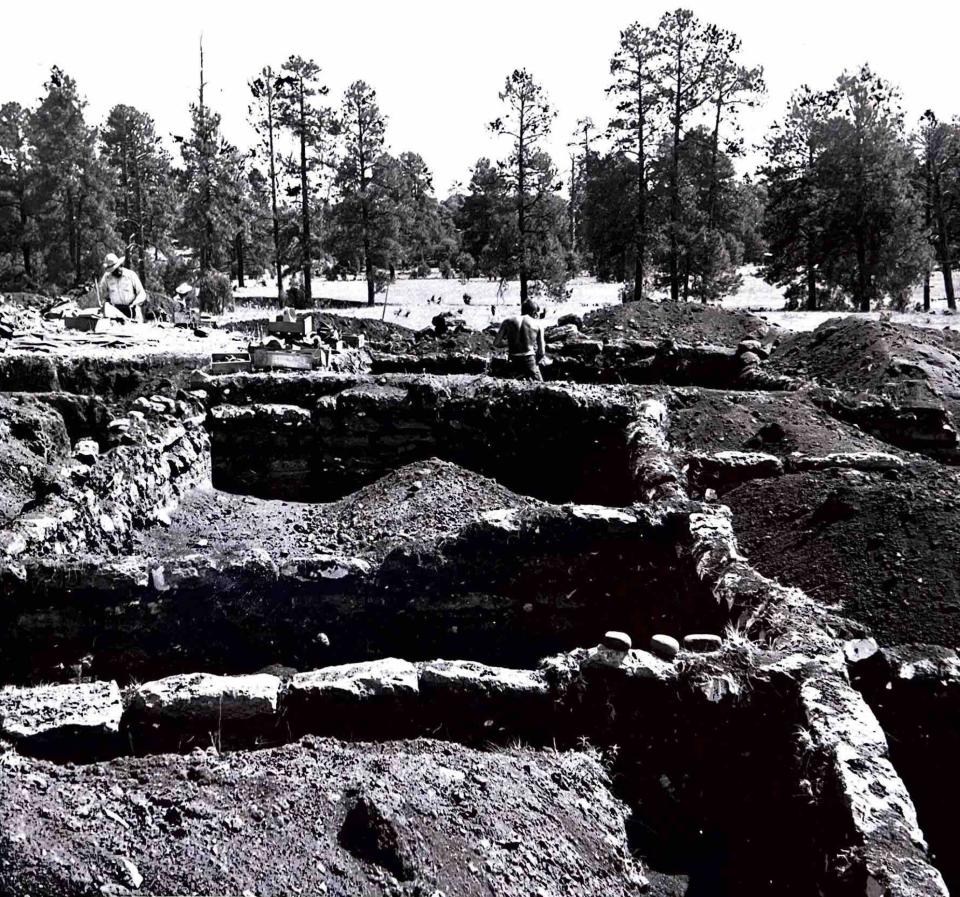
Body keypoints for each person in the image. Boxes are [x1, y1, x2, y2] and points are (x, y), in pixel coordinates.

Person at [494, 299, 548, 381]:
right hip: (529, 361)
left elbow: (496, 343)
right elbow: (541, 352)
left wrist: (511, 343)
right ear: (534, 312)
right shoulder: (537, 324)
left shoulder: (507, 321)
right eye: (537, 314)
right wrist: (534, 363)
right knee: (540, 386)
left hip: (513, 361)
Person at [98, 252, 146, 322]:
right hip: (115, 313)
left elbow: (142, 293)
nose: (116, 272)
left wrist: (135, 303)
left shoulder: (131, 275)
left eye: (117, 268)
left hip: (132, 310)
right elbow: (102, 292)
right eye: (113, 271)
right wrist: (107, 303)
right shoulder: (107, 277)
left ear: (120, 265)